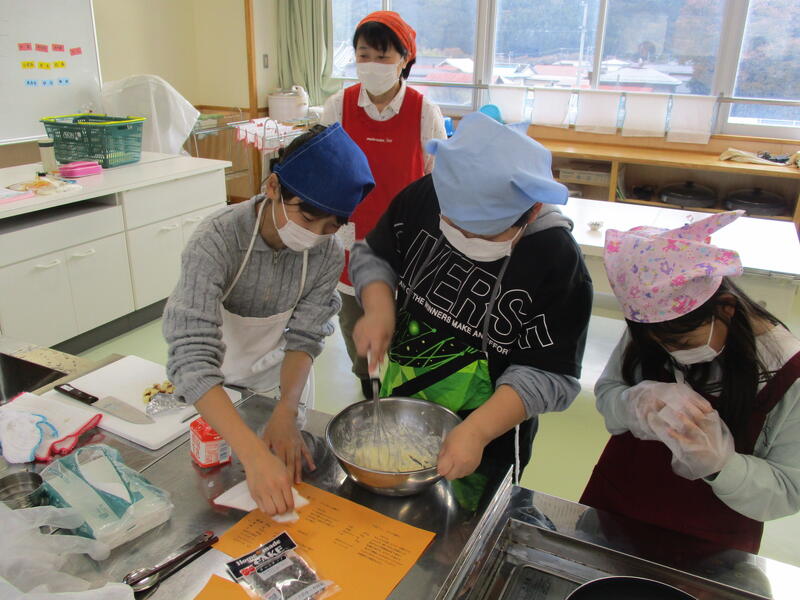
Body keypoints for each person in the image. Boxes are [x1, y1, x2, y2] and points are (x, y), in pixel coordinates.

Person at [350, 112, 593, 504]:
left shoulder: (557, 262)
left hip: (486, 443)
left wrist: (479, 430)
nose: (461, 239)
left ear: (532, 210)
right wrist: (378, 307)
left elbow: (550, 374)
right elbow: (374, 254)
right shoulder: (430, 193)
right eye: (452, 225)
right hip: (403, 404)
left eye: (483, 234)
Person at [163, 124, 374, 515]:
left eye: (332, 226)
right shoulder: (218, 240)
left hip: (283, 380)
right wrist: (253, 454)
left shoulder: (326, 253)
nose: (315, 235)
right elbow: (191, 356)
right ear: (274, 187)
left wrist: (286, 410)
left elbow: (306, 335)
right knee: (221, 484)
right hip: (215, 385)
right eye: (307, 218)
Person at [581, 211, 800, 553]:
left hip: (710, 543)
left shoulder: (788, 375)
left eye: (682, 343)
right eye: (657, 344)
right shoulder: (656, 323)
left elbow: (788, 489)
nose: (672, 353)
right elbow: (608, 394)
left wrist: (721, 465)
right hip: (616, 507)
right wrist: (634, 403)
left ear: (726, 308)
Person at [321, 10, 446, 398]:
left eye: (382, 56)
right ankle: (369, 388)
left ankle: (405, 393)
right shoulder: (338, 106)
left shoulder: (424, 111)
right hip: (352, 236)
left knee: (407, 326)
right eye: (363, 55)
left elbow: (440, 181)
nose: (371, 64)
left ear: (404, 59)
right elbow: (322, 171)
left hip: (408, 242)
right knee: (355, 325)